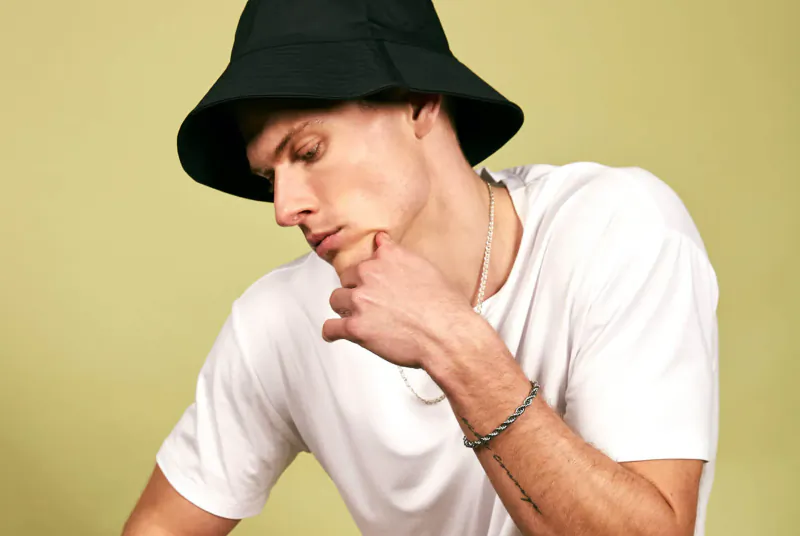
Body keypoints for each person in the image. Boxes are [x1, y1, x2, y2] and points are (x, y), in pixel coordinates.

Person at [123, 0, 719, 535]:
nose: (284, 208)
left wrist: (452, 342)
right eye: (268, 177)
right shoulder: (278, 320)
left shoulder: (616, 229)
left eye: (308, 152)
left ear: (419, 103)